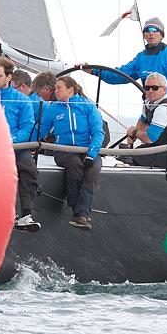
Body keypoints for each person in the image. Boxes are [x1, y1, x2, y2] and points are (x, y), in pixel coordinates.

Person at [39, 76, 105, 230]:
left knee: (93, 170)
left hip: (87, 150)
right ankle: (79, 212)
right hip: (64, 152)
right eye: (55, 88)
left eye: (58, 88)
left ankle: (80, 215)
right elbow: (40, 131)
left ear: (70, 90)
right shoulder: (52, 109)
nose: (55, 91)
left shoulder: (88, 107)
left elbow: (98, 132)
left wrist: (91, 154)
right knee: (74, 163)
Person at [82, 17, 167, 104]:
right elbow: (120, 75)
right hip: (150, 106)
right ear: (144, 35)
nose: (151, 33)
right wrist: (94, 71)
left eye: (155, 30)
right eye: (147, 30)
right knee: (138, 129)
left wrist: (162, 100)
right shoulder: (140, 58)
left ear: (162, 35)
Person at [0, 57, 41, 232]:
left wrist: (7, 142)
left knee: (27, 166)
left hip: (15, 147)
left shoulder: (22, 100)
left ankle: (26, 214)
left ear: (9, 77)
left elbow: (27, 127)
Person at [124, 73, 167, 169]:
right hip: (160, 148)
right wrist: (132, 137)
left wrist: (134, 132)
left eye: (155, 88)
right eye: (147, 87)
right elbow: (143, 122)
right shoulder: (149, 103)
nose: (150, 91)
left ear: (164, 90)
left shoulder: (164, 108)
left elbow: (150, 138)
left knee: (131, 157)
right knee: (127, 154)